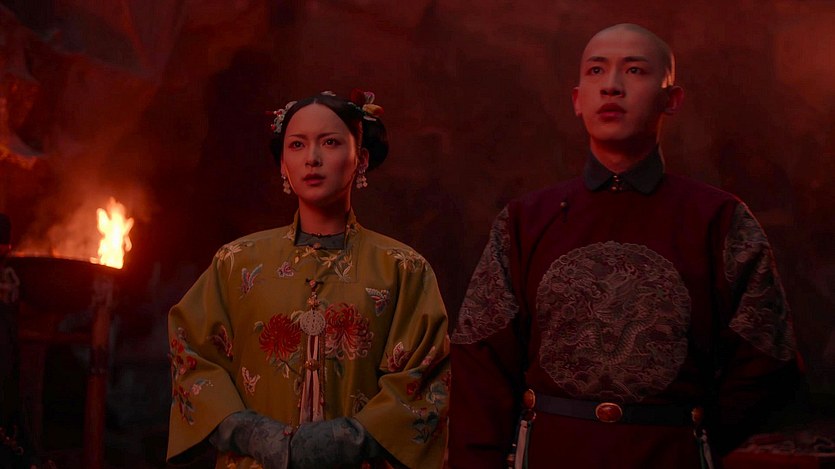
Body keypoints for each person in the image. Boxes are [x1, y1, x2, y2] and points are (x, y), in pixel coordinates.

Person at [448, 23, 799, 469]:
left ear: (672, 99)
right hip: (551, 453)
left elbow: (768, 359)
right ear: (578, 99)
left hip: (671, 455)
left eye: (634, 70)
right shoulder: (523, 221)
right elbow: (480, 368)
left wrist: (691, 435)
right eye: (596, 71)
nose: (611, 86)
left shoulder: (720, 220)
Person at [167, 90, 450, 469]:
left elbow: (424, 378)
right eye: (297, 145)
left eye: (330, 143)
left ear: (361, 158)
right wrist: (248, 431)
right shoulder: (236, 262)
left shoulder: (403, 269)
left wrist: (350, 438)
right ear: (283, 165)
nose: (312, 158)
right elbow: (191, 354)